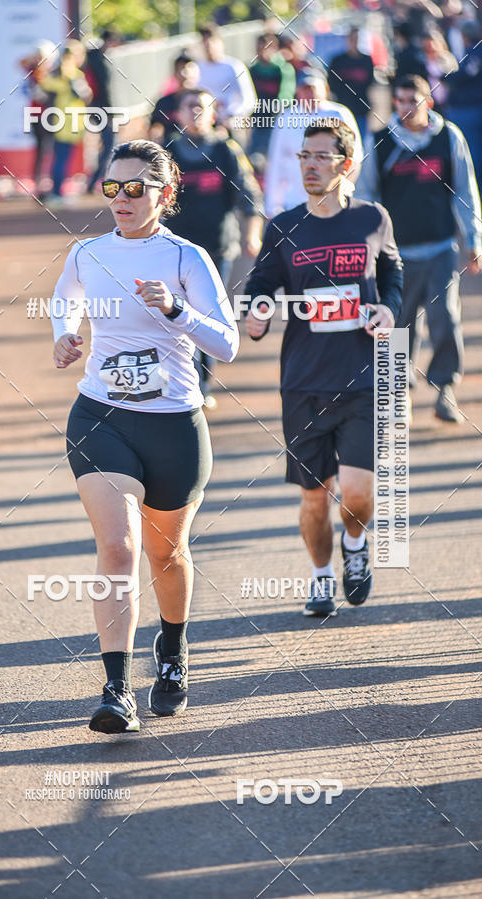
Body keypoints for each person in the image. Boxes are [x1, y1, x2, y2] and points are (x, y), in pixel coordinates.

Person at [50, 139, 239, 733]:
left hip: (175, 424)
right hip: (101, 416)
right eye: (113, 188)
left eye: (136, 188)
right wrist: (66, 333)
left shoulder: (187, 258)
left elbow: (227, 344)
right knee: (120, 548)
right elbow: (64, 301)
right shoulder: (88, 253)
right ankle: (114, 689)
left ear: (166, 192)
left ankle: (174, 651)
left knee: (167, 552)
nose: (122, 199)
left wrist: (179, 312)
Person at [245, 120, 402, 617]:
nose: (310, 165)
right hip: (304, 381)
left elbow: (392, 272)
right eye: (304, 156)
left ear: (346, 164)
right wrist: (256, 313)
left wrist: (389, 310)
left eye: (321, 156)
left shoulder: (372, 219)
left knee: (355, 493)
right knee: (315, 499)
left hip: (361, 376)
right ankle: (320, 578)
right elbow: (261, 284)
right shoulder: (284, 226)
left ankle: (355, 546)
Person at [357, 74, 481, 421]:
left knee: (446, 320)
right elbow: (367, 197)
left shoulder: (447, 137)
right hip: (397, 255)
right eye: (400, 101)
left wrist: (473, 240)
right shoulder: (381, 141)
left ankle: (445, 389)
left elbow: (465, 192)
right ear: (394, 102)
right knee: (397, 325)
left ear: (428, 101)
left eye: (414, 100)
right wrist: (368, 249)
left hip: (441, 248)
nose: (407, 107)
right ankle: (400, 393)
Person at [166, 88, 263, 407]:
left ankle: (203, 383)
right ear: (179, 113)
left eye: (201, 106)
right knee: (176, 314)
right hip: (174, 250)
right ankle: (184, 379)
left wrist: (252, 233)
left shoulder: (226, 150)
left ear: (212, 113)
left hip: (217, 249)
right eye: (188, 106)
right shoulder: (166, 152)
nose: (194, 112)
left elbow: (248, 194)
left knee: (207, 314)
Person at [264, 72, 363, 219]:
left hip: (333, 204)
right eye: (304, 89)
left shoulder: (339, 114)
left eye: (313, 88)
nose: (308, 93)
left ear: (325, 89)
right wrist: (272, 205)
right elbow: (277, 162)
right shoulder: (286, 117)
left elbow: (354, 157)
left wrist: (344, 190)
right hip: (296, 202)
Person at [40, 44, 92, 204]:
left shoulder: (66, 75)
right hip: (66, 125)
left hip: (68, 123)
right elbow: (87, 95)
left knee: (61, 159)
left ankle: (57, 192)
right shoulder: (71, 75)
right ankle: (56, 193)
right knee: (61, 159)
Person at [248, 33, 296, 167]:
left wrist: (275, 109)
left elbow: (286, 96)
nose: (262, 52)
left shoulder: (283, 69)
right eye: (259, 48)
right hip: (258, 121)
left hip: (276, 120)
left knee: (275, 155)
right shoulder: (253, 70)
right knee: (254, 156)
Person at [197, 24, 257, 126]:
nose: (209, 48)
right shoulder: (197, 68)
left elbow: (249, 99)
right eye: (205, 43)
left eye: (212, 43)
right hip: (206, 123)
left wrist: (234, 117)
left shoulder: (234, 66)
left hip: (231, 123)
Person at [20, 40, 58, 196]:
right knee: (42, 149)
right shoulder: (33, 71)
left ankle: (46, 181)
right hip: (37, 115)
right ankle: (39, 183)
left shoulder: (52, 72)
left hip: (51, 115)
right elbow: (21, 62)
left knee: (50, 149)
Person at [85, 30, 121, 195]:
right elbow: (103, 89)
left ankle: (95, 181)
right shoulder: (97, 58)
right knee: (109, 145)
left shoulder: (96, 57)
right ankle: (96, 181)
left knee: (107, 146)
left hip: (99, 108)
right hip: (101, 109)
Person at [447, 21, 482, 186]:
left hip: (469, 109)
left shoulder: (475, 52)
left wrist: (445, 76)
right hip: (471, 108)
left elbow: (466, 74)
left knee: (471, 153)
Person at [327, 27, 375, 137]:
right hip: (342, 107)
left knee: (359, 139)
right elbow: (332, 83)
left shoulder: (366, 60)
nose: (354, 41)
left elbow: (369, 82)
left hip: (360, 108)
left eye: (357, 38)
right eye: (352, 38)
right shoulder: (337, 60)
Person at [148, 54, 200, 147]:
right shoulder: (164, 103)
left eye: (190, 69)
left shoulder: (204, 99)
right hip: (172, 150)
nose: (185, 74)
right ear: (175, 73)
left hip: (201, 148)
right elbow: (154, 126)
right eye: (181, 69)